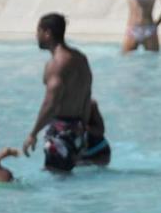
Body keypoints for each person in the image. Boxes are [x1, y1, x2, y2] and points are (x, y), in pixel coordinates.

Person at [22, 13, 94, 172]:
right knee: (68, 180)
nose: (36, 35)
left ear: (47, 33)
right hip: (78, 129)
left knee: (56, 180)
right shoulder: (81, 58)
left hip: (60, 132)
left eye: (38, 31)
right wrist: (82, 129)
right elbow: (87, 95)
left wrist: (33, 133)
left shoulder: (56, 64)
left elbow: (51, 103)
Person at [79, 100, 112, 167]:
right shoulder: (56, 103)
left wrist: (83, 127)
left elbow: (100, 131)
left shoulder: (91, 104)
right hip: (73, 153)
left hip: (98, 151)